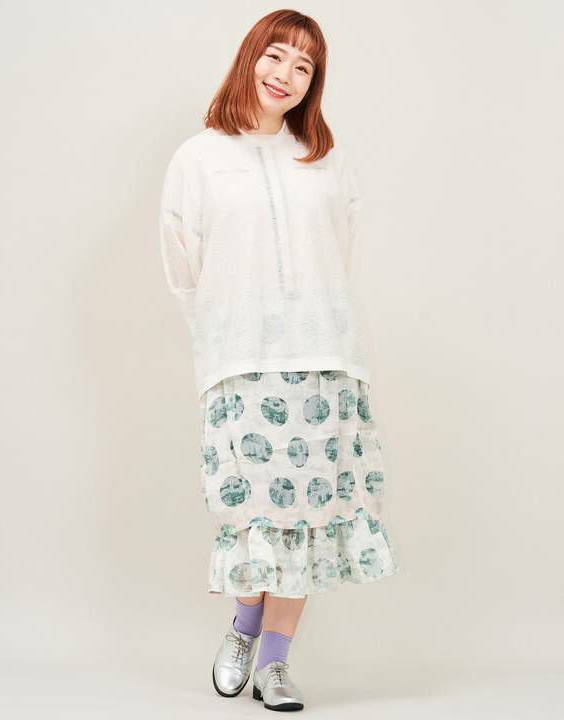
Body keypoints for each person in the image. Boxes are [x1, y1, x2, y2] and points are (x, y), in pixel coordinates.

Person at [158, 8, 400, 712]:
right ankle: (244, 626)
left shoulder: (325, 159)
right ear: (250, 57)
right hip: (240, 359)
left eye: (304, 66)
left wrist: (314, 323)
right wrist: (223, 339)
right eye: (276, 55)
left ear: (313, 82)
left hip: (323, 356)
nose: (285, 75)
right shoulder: (198, 158)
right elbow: (183, 267)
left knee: (312, 518)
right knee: (256, 514)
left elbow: (339, 256)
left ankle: (274, 663)